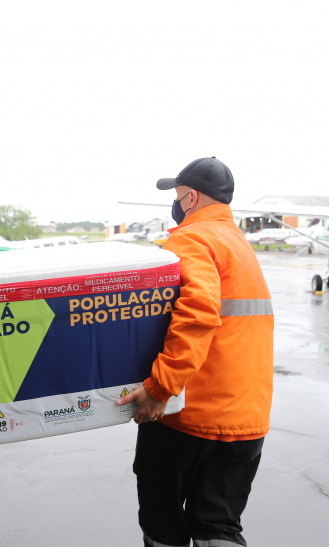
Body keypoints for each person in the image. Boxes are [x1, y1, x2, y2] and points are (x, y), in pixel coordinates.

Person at [116, 157, 274, 547]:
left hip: (191, 419)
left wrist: (160, 388)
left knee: (163, 524)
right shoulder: (239, 245)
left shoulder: (192, 239)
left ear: (190, 197)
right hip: (247, 421)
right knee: (218, 527)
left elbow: (198, 314)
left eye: (176, 194)